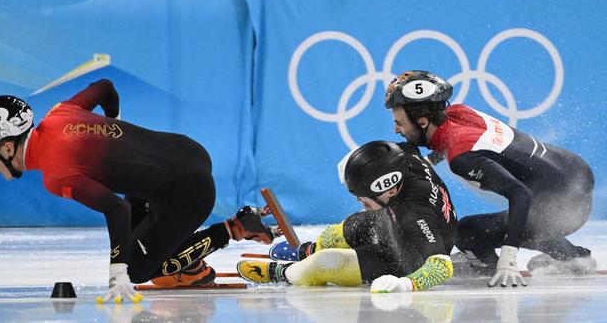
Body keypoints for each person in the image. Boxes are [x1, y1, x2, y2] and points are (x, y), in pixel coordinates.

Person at [0, 79, 276, 303]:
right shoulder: (60, 113)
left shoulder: (56, 175)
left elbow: (116, 209)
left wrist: (119, 271)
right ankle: (187, 258)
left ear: (7, 147)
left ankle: (234, 228)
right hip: (188, 150)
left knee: (141, 270)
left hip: (186, 192)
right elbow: (104, 87)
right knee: (136, 231)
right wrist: (111, 121)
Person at [384, 70, 596, 288]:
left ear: (422, 122)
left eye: (400, 123)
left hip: (565, 207)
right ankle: (575, 257)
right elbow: (448, 141)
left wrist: (509, 256)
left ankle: (486, 266)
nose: (396, 129)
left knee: (466, 232)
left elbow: (520, 194)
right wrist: (428, 162)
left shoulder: (462, 158)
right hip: (575, 173)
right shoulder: (456, 113)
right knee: (515, 223)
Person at [237, 140, 458, 293]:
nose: (359, 201)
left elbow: (442, 267)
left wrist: (406, 285)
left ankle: (285, 273)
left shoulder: (414, 214)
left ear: (390, 189)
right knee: (347, 227)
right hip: (399, 228)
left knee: (324, 263)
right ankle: (309, 250)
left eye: (364, 197)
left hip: (407, 259)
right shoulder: (405, 157)